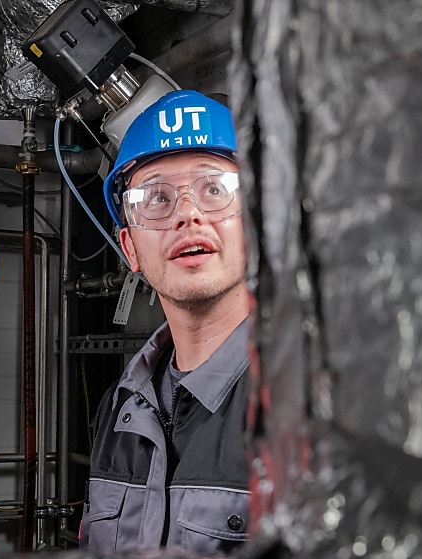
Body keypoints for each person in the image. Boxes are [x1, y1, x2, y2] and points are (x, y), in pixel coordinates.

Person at [82, 90, 251, 556]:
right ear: (130, 248)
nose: (188, 214)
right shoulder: (118, 410)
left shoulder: (313, 403)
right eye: (155, 198)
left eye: (214, 189)